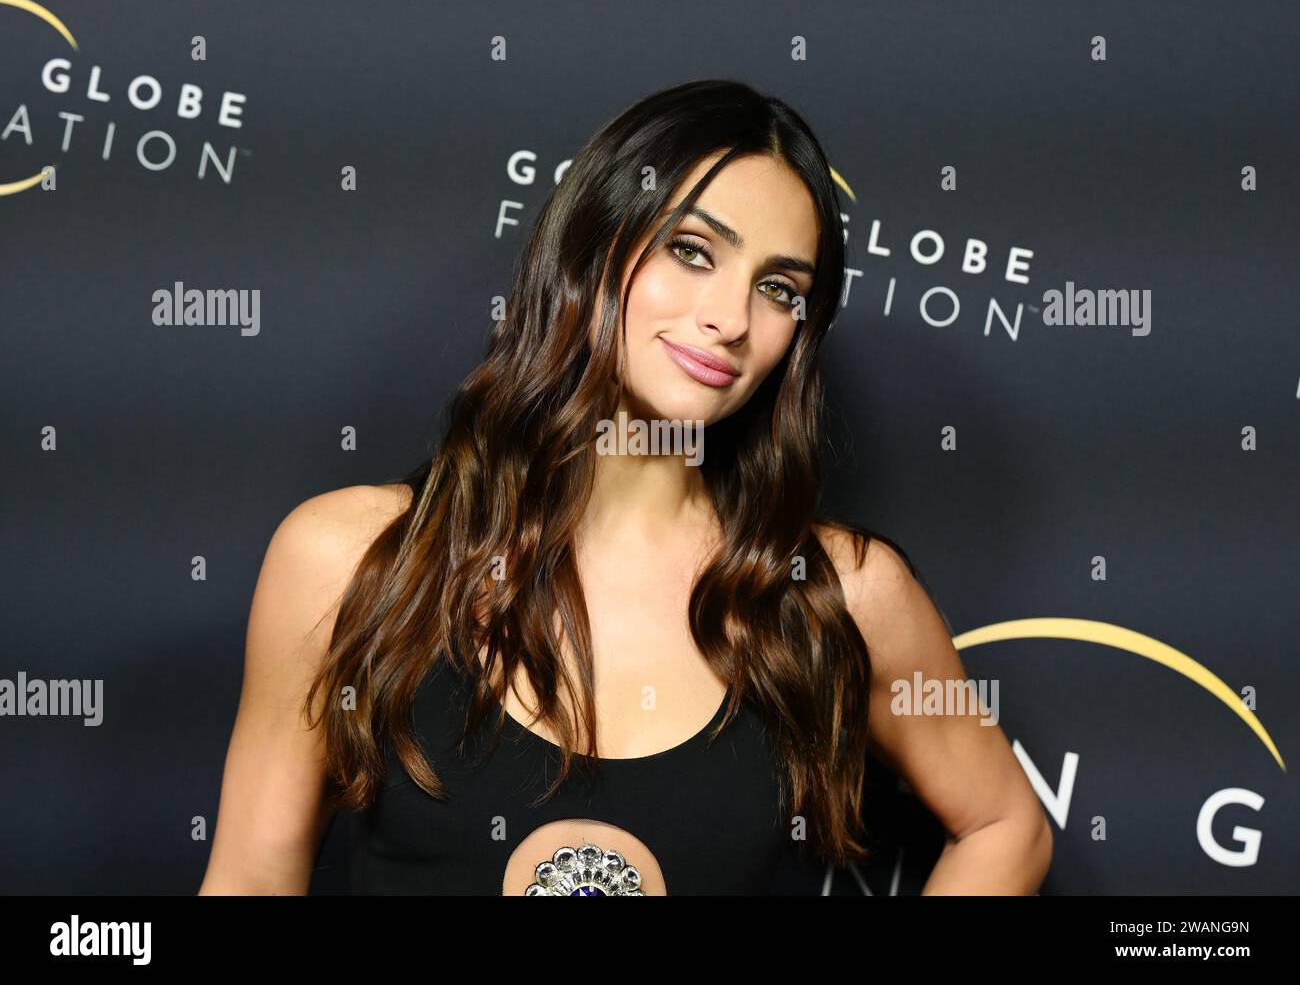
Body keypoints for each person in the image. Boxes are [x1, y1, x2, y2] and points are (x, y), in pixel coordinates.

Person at [198, 79, 1052, 896]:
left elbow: (1007, 824)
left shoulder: (836, 593)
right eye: (692, 250)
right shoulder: (349, 562)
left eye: (778, 288)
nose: (730, 317)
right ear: (597, 246)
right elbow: (251, 877)